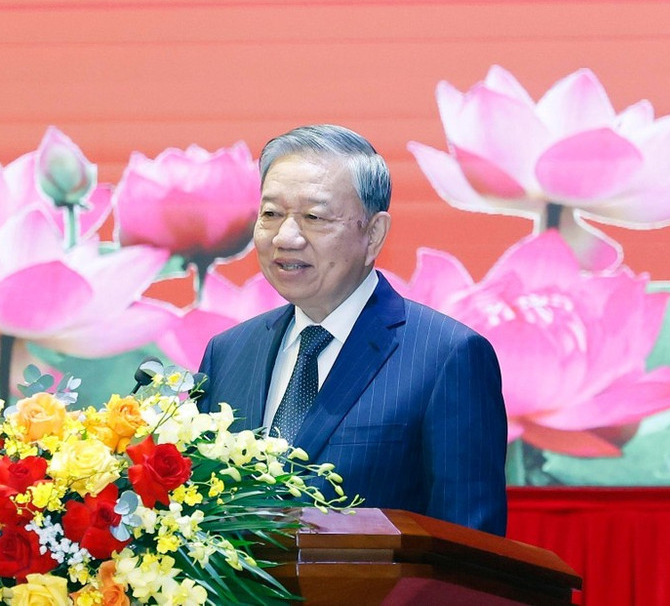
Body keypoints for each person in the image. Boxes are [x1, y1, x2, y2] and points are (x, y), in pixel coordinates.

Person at [198, 124, 508, 536]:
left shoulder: (446, 357)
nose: (286, 237)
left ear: (374, 234)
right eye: (270, 214)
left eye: (314, 217)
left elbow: (472, 551)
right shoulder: (228, 353)